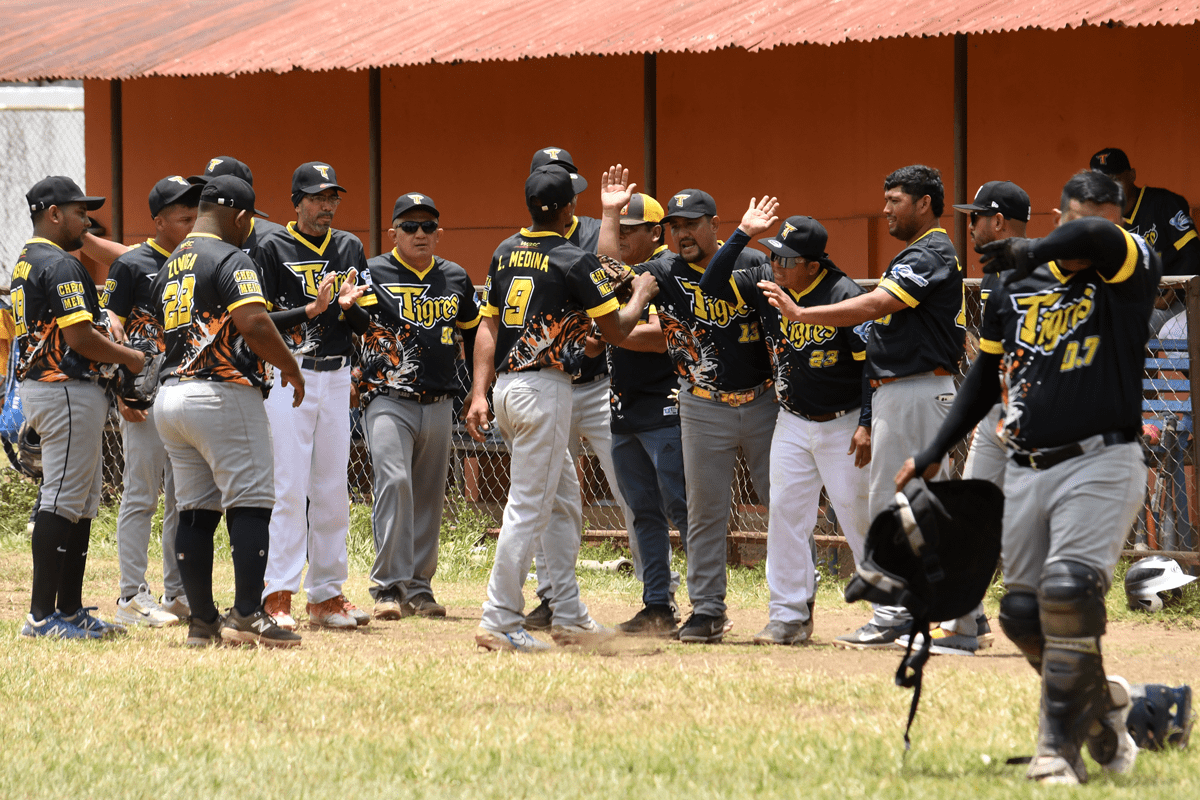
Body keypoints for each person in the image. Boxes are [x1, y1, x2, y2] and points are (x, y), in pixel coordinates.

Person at [895, 170, 1155, 784]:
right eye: (1075, 219)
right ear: (1057, 218)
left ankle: (1056, 752)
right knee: (1019, 614)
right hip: (1026, 464)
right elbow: (985, 378)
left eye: (1102, 219)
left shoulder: (1127, 268)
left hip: (1100, 460)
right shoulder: (1013, 286)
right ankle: (1101, 712)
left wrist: (1034, 247)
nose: (1088, 231)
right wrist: (934, 449)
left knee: (1067, 592)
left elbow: (1096, 235)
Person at [763, 165, 965, 649]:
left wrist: (800, 313)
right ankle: (948, 616)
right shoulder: (917, 252)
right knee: (907, 507)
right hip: (901, 391)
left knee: (901, 508)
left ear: (924, 203)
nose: (886, 208)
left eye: (896, 200)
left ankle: (911, 614)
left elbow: (876, 306)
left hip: (916, 390)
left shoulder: (930, 251)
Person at [464, 165, 658, 652]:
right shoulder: (572, 258)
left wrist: (479, 391)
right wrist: (639, 295)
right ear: (569, 209)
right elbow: (616, 330)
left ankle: (569, 616)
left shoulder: (505, 250)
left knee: (563, 505)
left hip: (508, 388)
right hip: (544, 389)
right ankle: (500, 618)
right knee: (528, 508)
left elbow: (488, 326)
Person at [599, 177, 773, 643]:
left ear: (714, 224)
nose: (683, 233)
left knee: (782, 504)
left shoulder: (753, 262)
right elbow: (606, 275)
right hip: (700, 403)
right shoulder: (663, 270)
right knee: (702, 513)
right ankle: (707, 609)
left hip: (760, 400)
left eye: (692, 224)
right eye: (676, 226)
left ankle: (793, 604)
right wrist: (611, 213)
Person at [703, 202, 873, 646]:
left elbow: (869, 367)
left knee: (858, 515)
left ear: (812, 266)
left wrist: (867, 423)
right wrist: (742, 232)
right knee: (785, 515)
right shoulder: (766, 282)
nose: (776, 263)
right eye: (773, 254)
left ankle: (892, 612)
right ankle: (789, 615)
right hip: (792, 420)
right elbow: (710, 284)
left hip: (842, 422)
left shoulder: (843, 294)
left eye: (786, 259)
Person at [150, 175, 309, 648]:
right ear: (239, 216)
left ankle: (202, 621)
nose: (250, 229)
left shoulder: (170, 263)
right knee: (252, 500)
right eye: (249, 220)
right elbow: (254, 322)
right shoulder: (231, 257)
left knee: (195, 510)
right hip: (221, 393)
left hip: (172, 397)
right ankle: (247, 613)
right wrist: (291, 367)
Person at [892, 181, 1030, 656]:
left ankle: (1051, 619)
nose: (969, 225)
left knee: (1031, 523)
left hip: (1036, 415)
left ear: (999, 221)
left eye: (976, 217)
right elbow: (990, 361)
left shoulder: (1041, 272)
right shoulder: (993, 274)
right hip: (995, 410)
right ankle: (965, 623)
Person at [12, 176, 145, 639]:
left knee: (81, 501)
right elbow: (79, 337)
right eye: (79, 212)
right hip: (64, 389)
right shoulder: (59, 264)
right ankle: (40, 617)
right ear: (53, 214)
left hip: (57, 388)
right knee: (63, 499)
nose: (87, 221)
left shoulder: (29, 260)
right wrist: (128, 357)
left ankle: (68, 611)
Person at [522, 147, 639, 632]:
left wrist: (610, 215)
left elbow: (609, 278)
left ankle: (658, 593)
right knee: (549, 495)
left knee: (629, 485)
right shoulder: (524, 243)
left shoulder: (594, 229)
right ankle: (552, 596)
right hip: (548, 382)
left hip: (597, 383)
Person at [255, 162, 370, 631]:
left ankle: (326, 594)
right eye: (318, 198)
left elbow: (366, 322)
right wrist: (312, 309)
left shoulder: (349, 246)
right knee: (288, 486)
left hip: (337, 375)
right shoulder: (271, 246)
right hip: (289, 372)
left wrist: (347, 307)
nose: (327, 206)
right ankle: (276, 593)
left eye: (332, 198)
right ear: (297, 202)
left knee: (332, 489)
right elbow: (259, 319)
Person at [358, 193, 480, 620]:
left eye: (428, 226)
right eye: (409, 227)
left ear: (439, 233)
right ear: (393, 232)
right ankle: (388, 587)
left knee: (429, 495)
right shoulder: (373, 272)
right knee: (394, 482)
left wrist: (478, 389)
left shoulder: (455, 277)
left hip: (439, 400)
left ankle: (420, 588)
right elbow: (352, 324)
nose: (420, 234)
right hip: (387, 397)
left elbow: (475, 334)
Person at [104, 175, 201, 626]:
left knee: (185, 498)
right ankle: (131, 596)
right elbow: (109, 329)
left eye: (195, 215)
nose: (193, 222)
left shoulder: (199, 261)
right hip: (141, 399)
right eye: (184, 217)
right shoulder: (131, 264)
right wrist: (119, 390)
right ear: (159, 221)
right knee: (141, 493)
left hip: (186, 394)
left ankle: (177, 592)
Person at [593, 185, 689, 635]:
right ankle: (657, 605)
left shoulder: (664, 271)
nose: (622, 237)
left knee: (683, 508)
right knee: (642, 511)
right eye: (618, 229)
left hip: (665, 407)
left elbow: (661, 337)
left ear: (655, 233)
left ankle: (707, 604)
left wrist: (611, 333)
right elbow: (604, 269)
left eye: (630, 230)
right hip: (625, 408)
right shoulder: (625, 279)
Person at [1089, 148, 1198, 277]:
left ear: (1132, 175)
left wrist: (1172, 288)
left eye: (1115, 180)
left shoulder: (1163, 203)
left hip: (1173, 286)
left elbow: (1192, 253)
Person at [188, 156, 287, 258]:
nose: (207, 196)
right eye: (206, 189)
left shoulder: (273, 240)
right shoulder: (191, 233)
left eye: (215, 191)